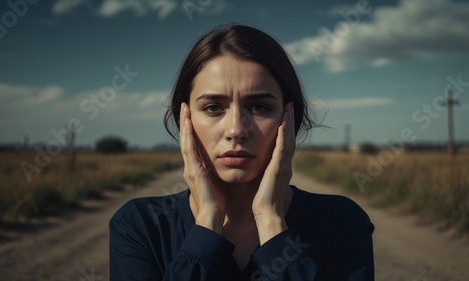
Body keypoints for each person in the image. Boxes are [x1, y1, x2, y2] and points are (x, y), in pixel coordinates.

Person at [110, 24, 374, 281]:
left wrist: (271, 220)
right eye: (214, 107)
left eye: (259, 107)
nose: (236, 130)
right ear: (185, 119)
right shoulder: (140, 226)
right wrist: (206, 223)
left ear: (289, 119)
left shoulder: (340, 223)